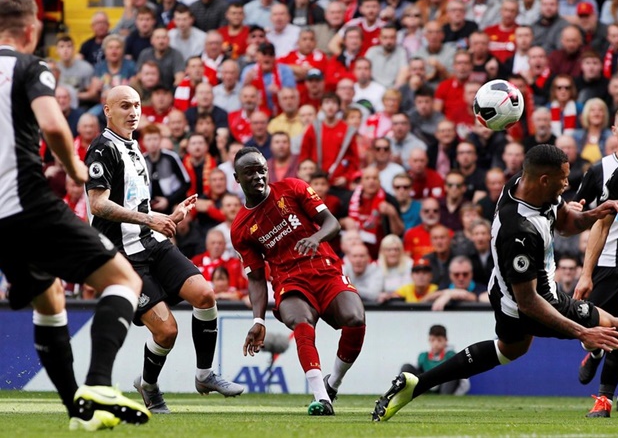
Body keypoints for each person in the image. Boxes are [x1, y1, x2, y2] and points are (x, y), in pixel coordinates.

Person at [371, 144, 618, 422]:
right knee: (613, 328)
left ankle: (415, 384)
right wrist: (581, 333)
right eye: (563, 179)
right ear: (544, 180)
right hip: (534, 302)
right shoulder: (518, 231)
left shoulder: (525, 185)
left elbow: (565, 222)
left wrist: (595, 213)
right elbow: (529, 302)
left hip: (504, 295)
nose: (567, 184)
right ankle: (596, 352)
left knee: (509, 349)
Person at [0, 0, 149, 431]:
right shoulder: (29, 67)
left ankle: (78, 412)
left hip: (1, 221)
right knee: (124, 280)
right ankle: (100, 382)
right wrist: (73, 166)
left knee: (50, 300)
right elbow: (50, 123)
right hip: (29, 204)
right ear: (31, 31)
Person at [85, 86, 244, 415]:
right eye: (125, 105)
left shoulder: (134, 149)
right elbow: (98, 205)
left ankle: (204, 375)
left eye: (137, 105)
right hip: (121, 256)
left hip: (149, 240)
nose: (133, 111)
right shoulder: (102, 148)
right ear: (107, 110)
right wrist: (149, 218)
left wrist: (170, 217)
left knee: (205, 295)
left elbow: (137, 206)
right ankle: (149, 385)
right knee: (167, 330)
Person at [233, 147, 366, 416]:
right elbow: (257, 278)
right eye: (250, 172)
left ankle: (332, 383)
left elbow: (332, 223)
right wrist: (258, 321)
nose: (258, 177)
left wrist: (315, 239)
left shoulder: (293, 188)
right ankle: (321, 399)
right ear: (237, 179)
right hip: (289, 280)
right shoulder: (241, 228)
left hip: (325, 269)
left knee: (355, 319)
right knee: (301, 323)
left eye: (261, 170)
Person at [572, 105, 618, 416]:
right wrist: (585, 272)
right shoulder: (606, 171)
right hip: (608, 259)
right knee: (601, 328)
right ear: (613, 130)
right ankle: (595, 350)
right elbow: (584, 215)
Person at [399, 325, 469, 395]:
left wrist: (457, 395)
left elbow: (464, 381)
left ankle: (445, 399)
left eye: (439, 340)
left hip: (443, 390)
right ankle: (404, 396)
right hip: (425, 388)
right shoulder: (423, 356)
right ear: (429, 340)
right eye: (432, 340)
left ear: (446, 340)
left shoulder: (451, 355)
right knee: (406, 367)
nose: (435, 344)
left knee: (453, 372)